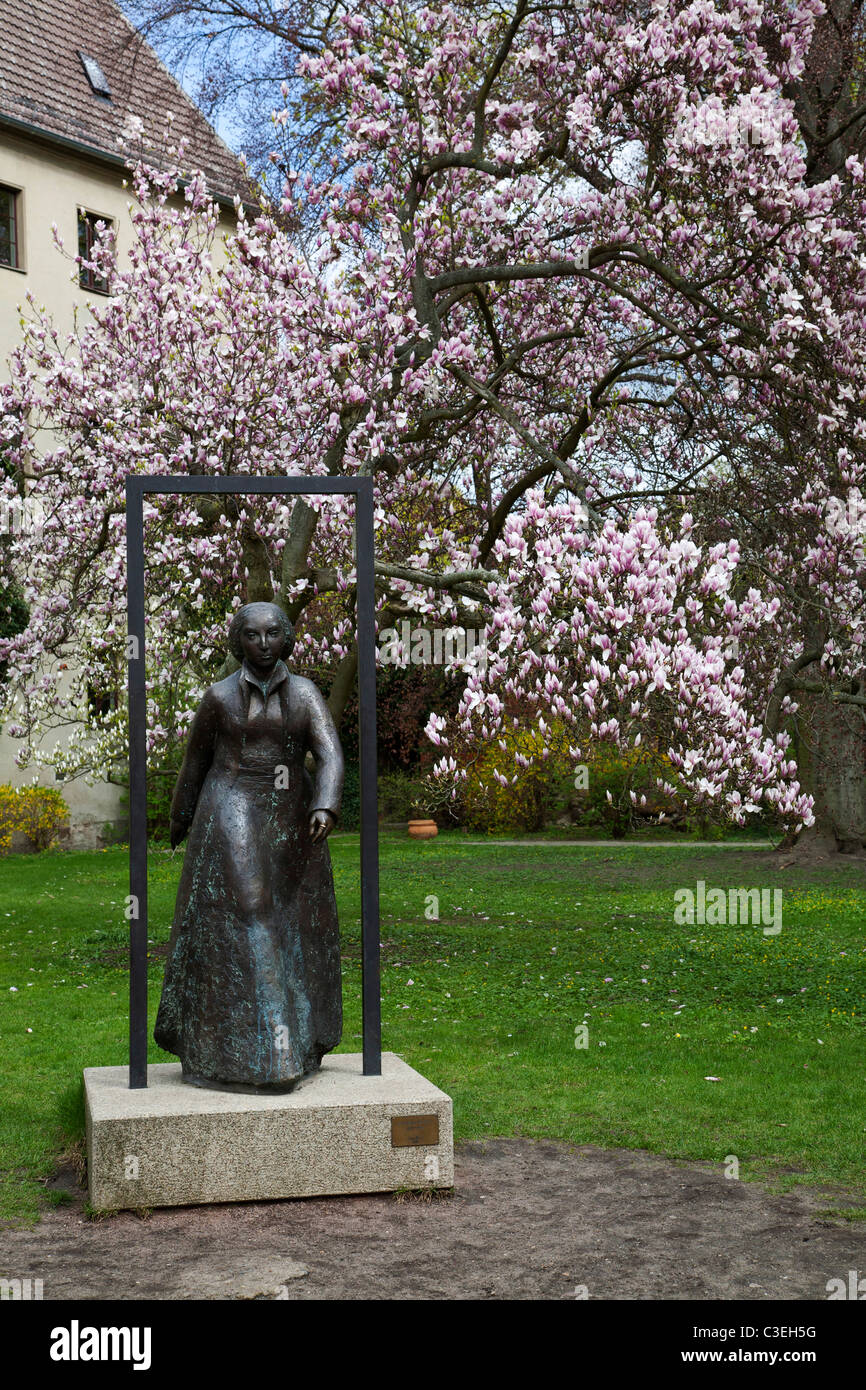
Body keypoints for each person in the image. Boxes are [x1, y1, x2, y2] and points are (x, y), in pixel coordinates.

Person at [154, 601, 344, 1092]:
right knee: (251, 907)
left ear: (287, 639)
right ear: (238, 640)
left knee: (297, 919)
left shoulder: (303, 694)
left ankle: (303, 1040)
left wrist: (325, 804)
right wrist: (180, 817)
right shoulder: (219, 698)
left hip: (290, 811)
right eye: (252, 636)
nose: (262, 645)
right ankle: (262, 1059)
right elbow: (195, 762)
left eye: (272, 635)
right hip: (232, 800)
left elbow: (327, 753)